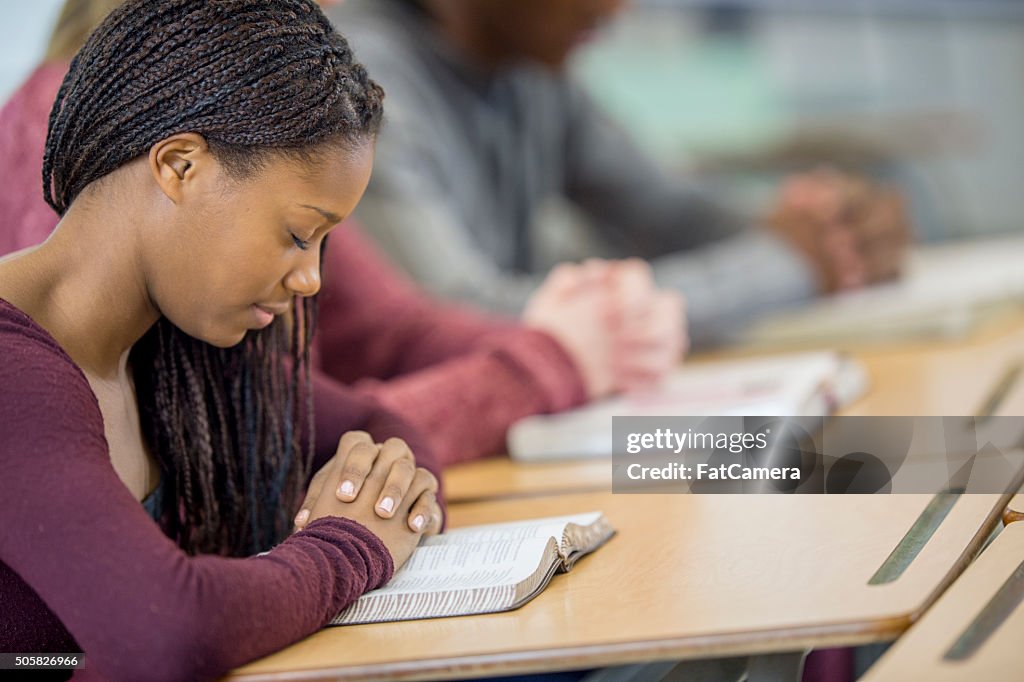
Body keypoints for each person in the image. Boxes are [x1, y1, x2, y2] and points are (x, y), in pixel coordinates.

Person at [0, 0, 686, 467]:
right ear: (178, 166)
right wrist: (545, 367)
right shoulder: (84, 150)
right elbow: (247, 455)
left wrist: (580, 340)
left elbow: (388, 328)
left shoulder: (259, 123)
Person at [0, 1, 447, 678]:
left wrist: (376, 491)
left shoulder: (173, 344)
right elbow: (170, 629)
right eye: (300, 235)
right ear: (180, 166)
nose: (310, 278)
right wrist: (352, 544)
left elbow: (380, 428)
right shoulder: (14, 369)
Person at [327, 0, 911, 347]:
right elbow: (459, 322)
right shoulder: (352, 79)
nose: (616, 7)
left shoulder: (528, 64)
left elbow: (671, 211)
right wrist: (788, 264)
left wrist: (831, 226)